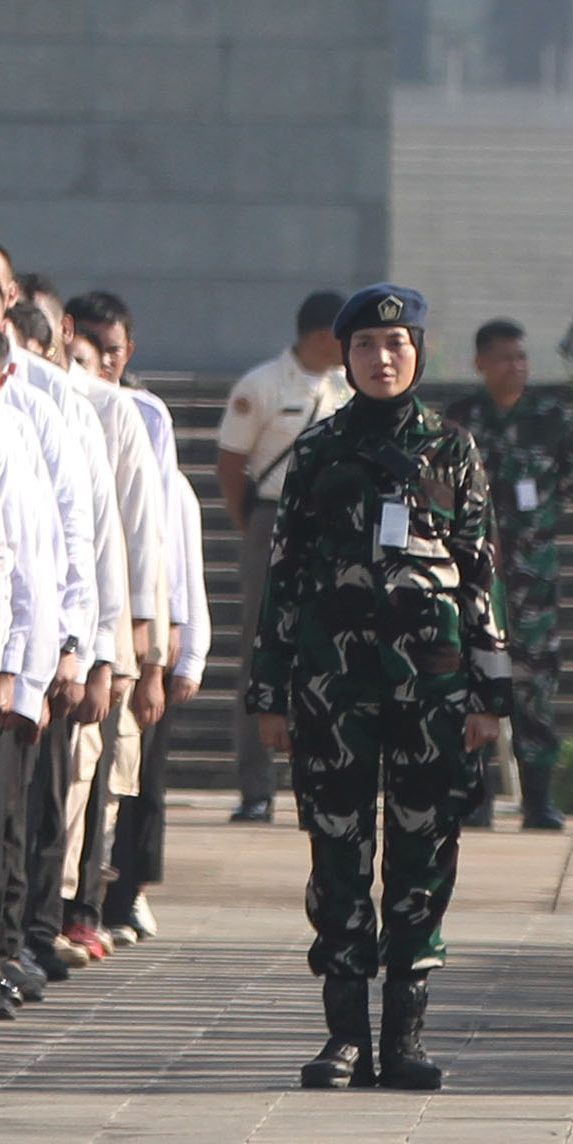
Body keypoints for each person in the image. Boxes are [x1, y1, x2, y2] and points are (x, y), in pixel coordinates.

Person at [257, 285, 516, 1092]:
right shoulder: (317, 449)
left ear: (419, 353)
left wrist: (490, 693)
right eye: (366, 344)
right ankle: (343, 1037)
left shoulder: (454, 450)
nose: (381, 357)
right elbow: (284, 575)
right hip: (332, 687)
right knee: (336, 847)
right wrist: (268, 692)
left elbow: (482, 573)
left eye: (396, 344)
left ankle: (403, 1033)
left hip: (433, 687)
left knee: (423, 847)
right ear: (345, 355)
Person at [440, 318, 573, 827]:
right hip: (472, 576)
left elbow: (568, 480)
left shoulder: (550, 417)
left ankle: (538, 800)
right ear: (481, 363)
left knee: (535, 684)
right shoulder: (459, 418)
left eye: (521, 358)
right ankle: (474, 797)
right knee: (468, 676)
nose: (515, 367)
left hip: (533, 575)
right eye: (504, 358)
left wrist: (529, 534)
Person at [217, 291, 346, 823]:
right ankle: (256, 787)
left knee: (329, 652)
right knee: (261, 650)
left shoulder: (347, 387)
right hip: (274, 518)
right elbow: (231, 464)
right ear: (320, 336)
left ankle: (323, 780)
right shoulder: (263, 385)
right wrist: (252, 525)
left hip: (336, 525)